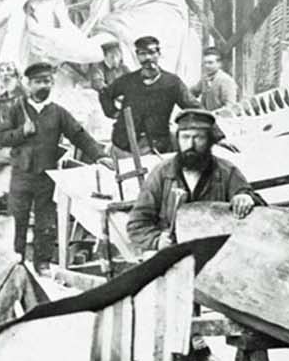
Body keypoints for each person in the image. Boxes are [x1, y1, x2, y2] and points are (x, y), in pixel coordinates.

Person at [0, 62, 108, 268]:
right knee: (17, 222)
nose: (43, 86)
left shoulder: (57, 112)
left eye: (47, 81)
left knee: (45, 223)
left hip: (47, 176)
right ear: (28, 84)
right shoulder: (16, 109)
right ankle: (16, 264)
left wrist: (100, 156)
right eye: (38, 82)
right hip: (21, 175)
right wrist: (21, 133)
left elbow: (78, 135)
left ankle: (43, 264)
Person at [125, 110, 257, 252]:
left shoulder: (227, 171)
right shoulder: (162, 173)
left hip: (216, 252)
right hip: (173, 253)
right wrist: (156, 241)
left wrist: (245, 198)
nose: (190, 145)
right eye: (185, 137)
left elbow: (254, 207)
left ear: (209, 141)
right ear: (178, 140)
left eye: (198, 138)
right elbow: (137, 223)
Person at [98, 35, 197, 155]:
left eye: (151, 52)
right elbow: (105, 93)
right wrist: (113, 112)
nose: (148, 57)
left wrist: (217, 136)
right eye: (142, 54)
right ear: (137, 56)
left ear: (159, 54)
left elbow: (194, 107)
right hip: (123, 145)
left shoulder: (172, 83)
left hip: (155, 147)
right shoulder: (129, 80)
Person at [191, 47, 239, 111]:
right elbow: (192, 92)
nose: (207, 66)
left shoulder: (226, 80)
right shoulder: (205, 78)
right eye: (205, 63)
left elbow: (230, 106)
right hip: (207, 117)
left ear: (219, 64)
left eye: (210, 63)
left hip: (222, 119)